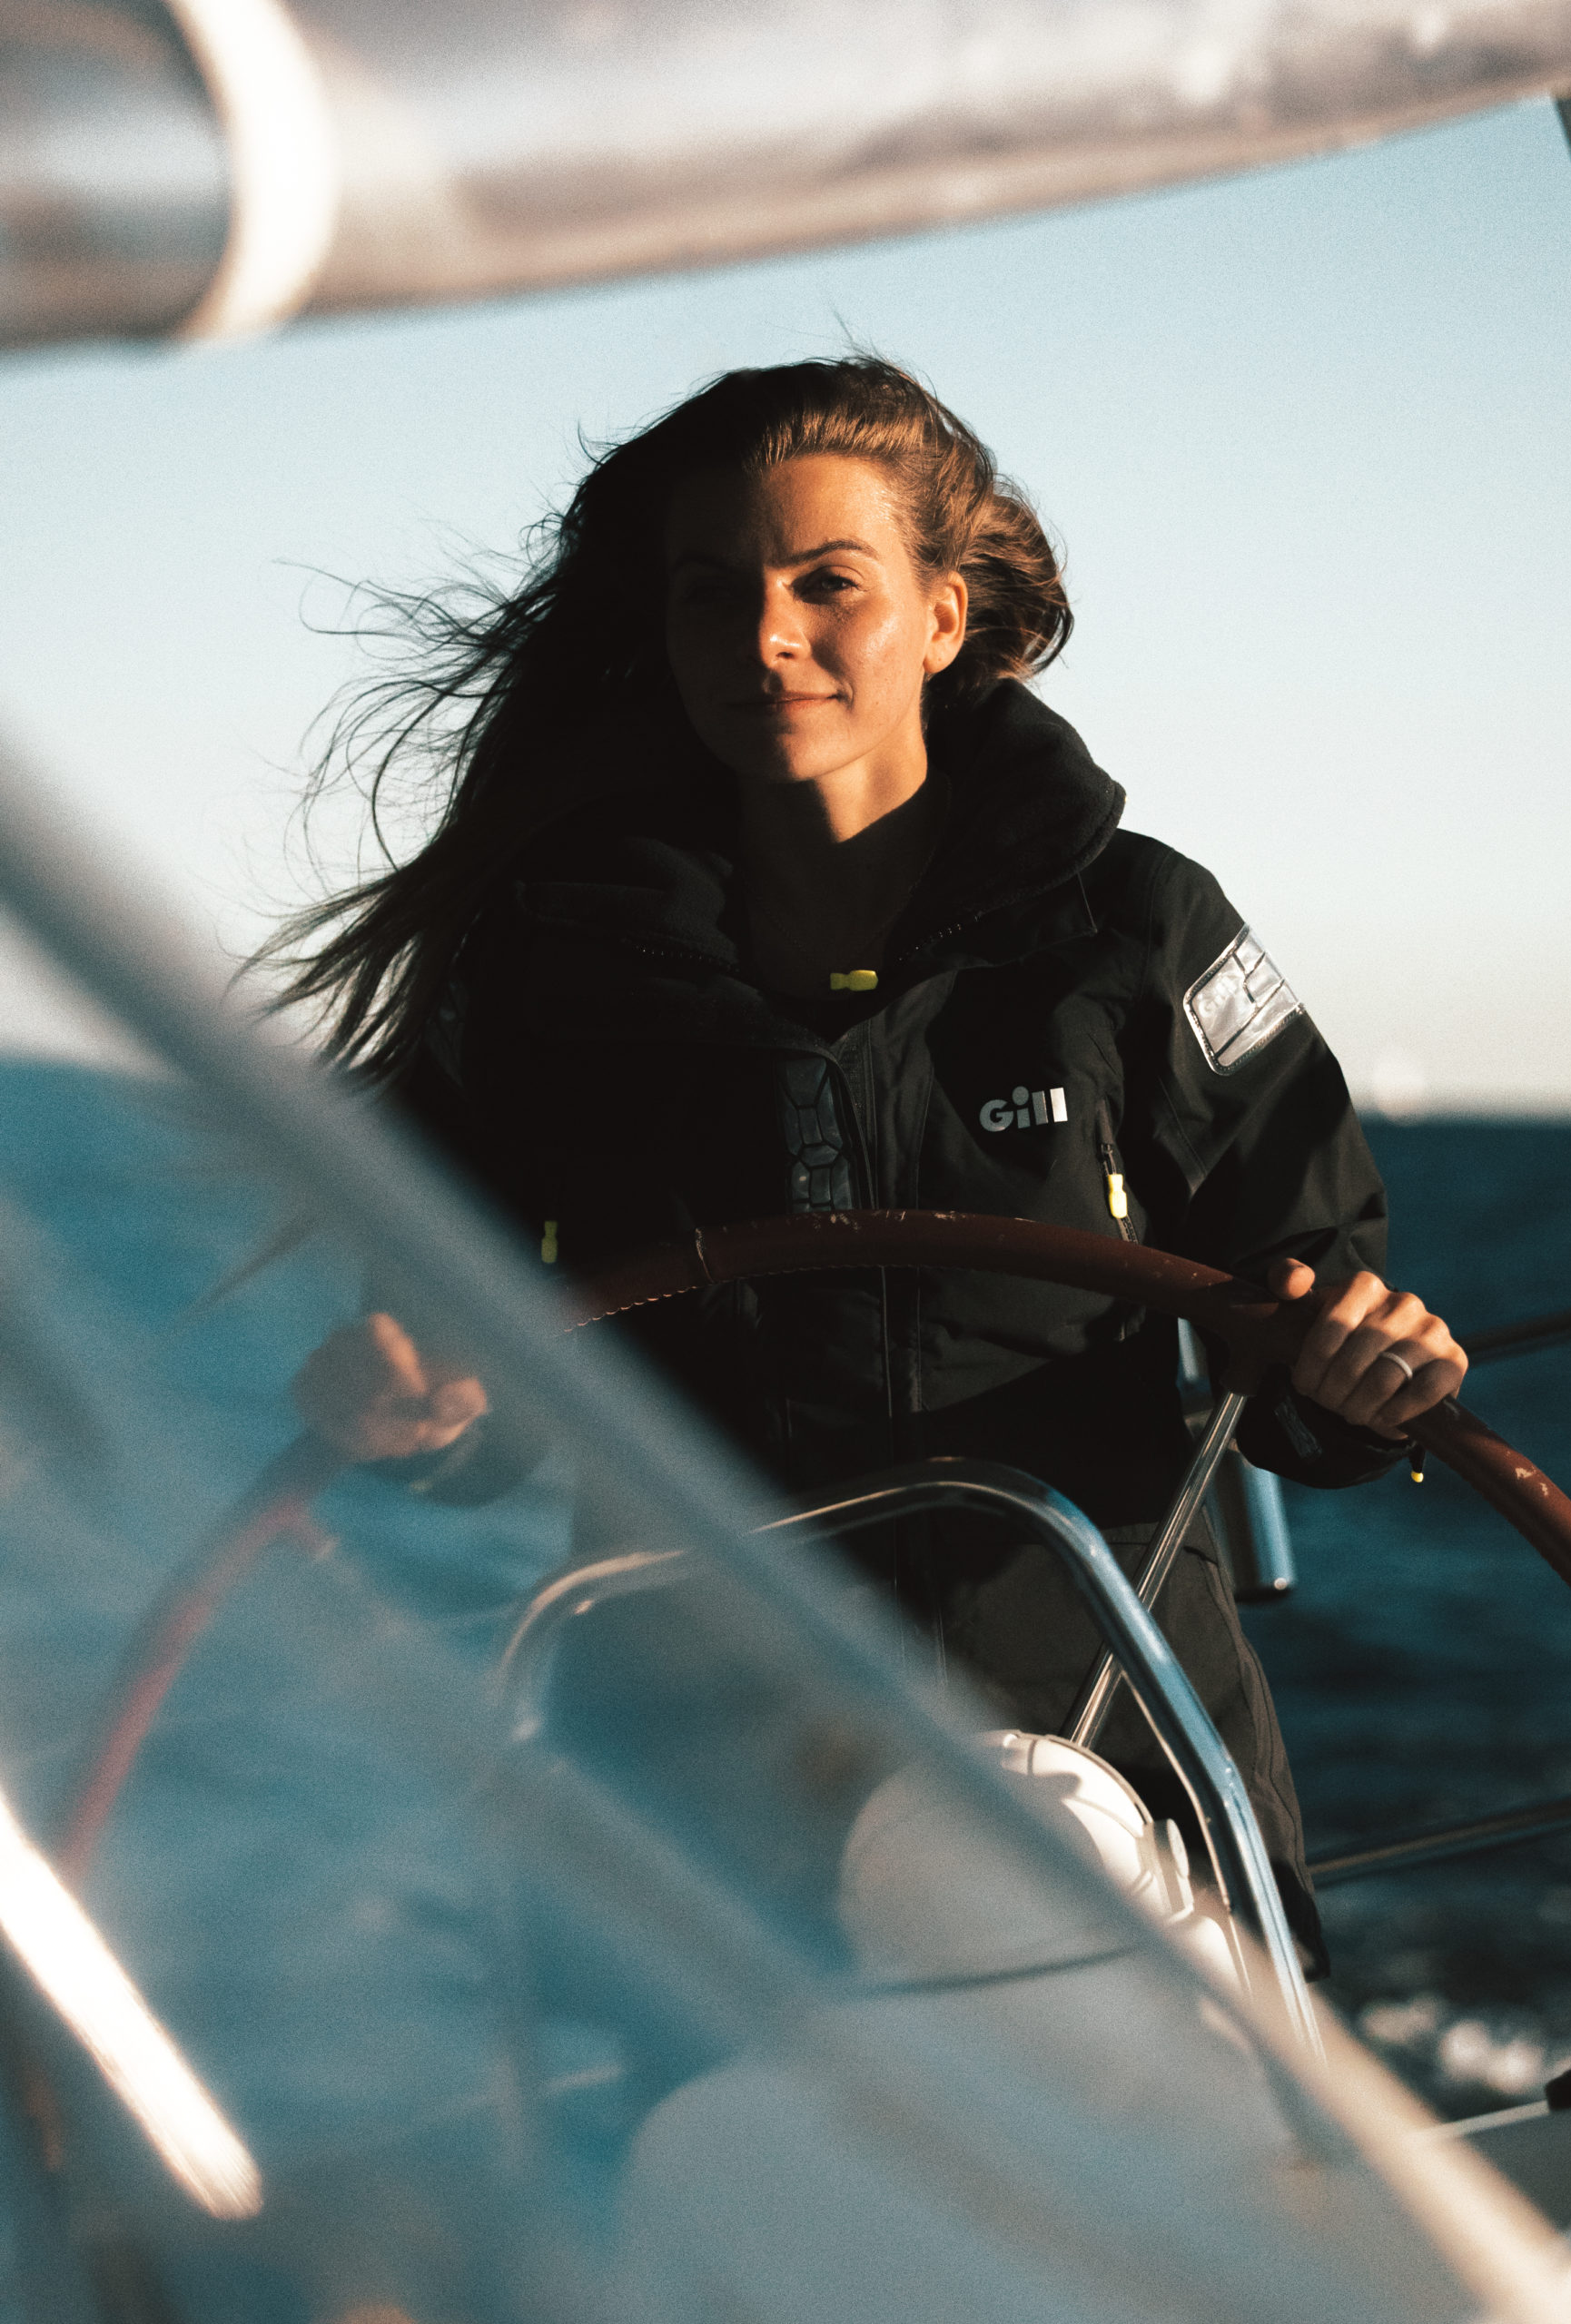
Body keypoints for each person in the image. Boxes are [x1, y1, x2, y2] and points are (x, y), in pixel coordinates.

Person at [276, 358, 1466, 1965]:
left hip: (1099, 1752)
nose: (766, 638)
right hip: (698, 1771)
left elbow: (1312, 1314)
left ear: (941, 616)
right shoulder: (552, 971)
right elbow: (464, 1367)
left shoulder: (1138, 931)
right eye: (715, 596)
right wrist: (417, 1407)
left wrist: (1362, 1364)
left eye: (827, 584)